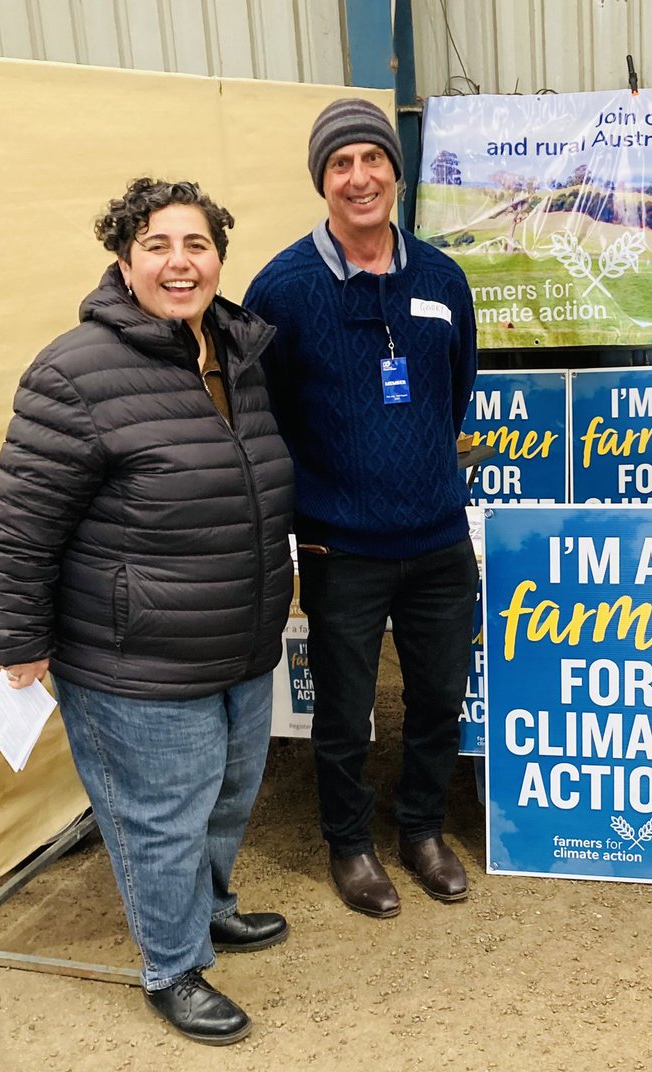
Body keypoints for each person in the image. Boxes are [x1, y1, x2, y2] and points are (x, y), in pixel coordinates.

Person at [0, 178, 295, 1043]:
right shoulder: (76, 370)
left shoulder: (237, 350)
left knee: (230, 796)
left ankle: (211, 908)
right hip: (136, 659)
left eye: (195, 244)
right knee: (160, 819)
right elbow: (19, 521)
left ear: (219, 257)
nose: (179, 263)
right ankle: (173, 965)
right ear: (124, 260)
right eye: (157, 245)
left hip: (236, 638)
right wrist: (17, 643)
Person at [244, 99, 478, 918]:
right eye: (339, 164)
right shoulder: (282, 288)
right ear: (322, 181)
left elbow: (454, 393)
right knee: (343, 711)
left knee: (438, 698)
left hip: (441, 538)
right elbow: (263, 413)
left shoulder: (443, 278)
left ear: (395, 170)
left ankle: (421, 831)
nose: (359, 177)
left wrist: (415, 472)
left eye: (371, 159)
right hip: (342, 547)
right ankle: (350, 846)